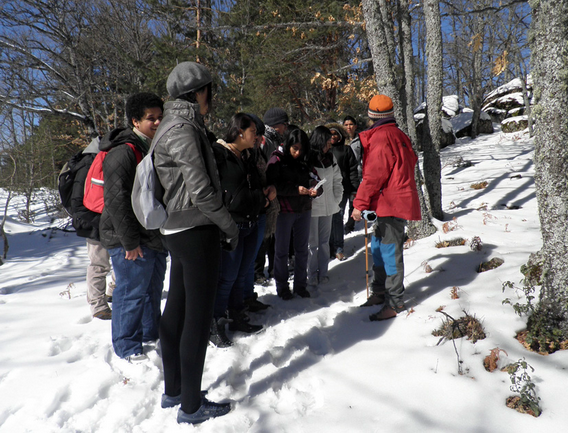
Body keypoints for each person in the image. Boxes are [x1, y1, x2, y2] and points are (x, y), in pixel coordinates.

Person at [153, 61, 237, 424]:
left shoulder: (166, 126)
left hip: (176, 228)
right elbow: (201, 190)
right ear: (197, 92)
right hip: (195, 229)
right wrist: (229, 225)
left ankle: (175, 391)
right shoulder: (183, 128)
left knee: (177, 309)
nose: (211, 98)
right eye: (209, 91)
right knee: (197, 320)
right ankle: (190, 406)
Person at [99, 92, 167, 360]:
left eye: (161, 117)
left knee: (151, 290)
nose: (158, 122)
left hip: (151, 234)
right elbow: (116, 201)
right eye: (151, 118)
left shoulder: (150, 148)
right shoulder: (123, 153)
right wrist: (129, 241)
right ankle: (127, 347)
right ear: (135, 121)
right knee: (130, 294)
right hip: (128, 238)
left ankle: (151, 334)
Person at [351, 94, 421, 321]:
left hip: (391, 203)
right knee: (379, 249)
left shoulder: (382, 138)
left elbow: (373, 176)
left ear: (371, 116)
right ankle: (380, 292)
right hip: (387, 203)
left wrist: (359, 204)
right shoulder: (399, 134)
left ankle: (395, 302)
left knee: (390, 253)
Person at [210, 113, 269, 347]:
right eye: (253, 131)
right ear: (239, 132)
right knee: (226, 278)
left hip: (251, 222)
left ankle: (236, 316)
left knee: (240, 276)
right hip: (230, 226)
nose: (256, 136)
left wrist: (264, 196)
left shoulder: (247, 155)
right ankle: (214, 323)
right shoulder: (219, 154)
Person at [266, 128, 322, 299]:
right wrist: (296, 190)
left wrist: (316, 189)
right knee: (281, 251)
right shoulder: (277, 159)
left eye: (301, 149)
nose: (298, 153)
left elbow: (316, 178)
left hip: (304, 209)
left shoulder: (306, 159)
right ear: (288, 145)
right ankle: (282, 287)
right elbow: (272, 185)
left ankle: (300, 285)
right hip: (284, 211)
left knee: (302, 250)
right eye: (294, 148)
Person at [70, 136, 115, 320]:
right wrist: (101, 222)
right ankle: (98, 305)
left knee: (120, 260)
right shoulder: (88, 164)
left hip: (108, 220)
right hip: (94, 224)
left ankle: (113, 292)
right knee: (99, 264)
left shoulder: (97, 159)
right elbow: (77, 204)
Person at [244, 113, 276, 312]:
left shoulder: (258, 153)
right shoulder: (236, 155)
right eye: (255, 134)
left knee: (251, 257)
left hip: (262, 211)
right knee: (244, 262)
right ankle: (239, 301)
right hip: (246, 214)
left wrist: (271, 188)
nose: (258, 139)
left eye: (259, 135)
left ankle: (248, 296)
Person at [254, 108, 289, 283]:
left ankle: (275, 268)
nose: (285, 128)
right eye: (284, 124)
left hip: (274, 191)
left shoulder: (276, 140)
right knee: (265, 235)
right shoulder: (264, 141)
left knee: (274, 234)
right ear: (277, 125)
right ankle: (258, 272)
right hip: (266, 193)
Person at [307, 126, 343, 287]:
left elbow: (337, 179)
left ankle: (323, 272)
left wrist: (337, 198)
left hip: (329, 206)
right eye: (328, 142)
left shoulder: (330, 157)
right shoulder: (307, 157)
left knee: (324, 242)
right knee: (312, 244)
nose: (330, 145)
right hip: (312, 208)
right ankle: (311, 274)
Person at [326, 122, 359, 261]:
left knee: (338, 217)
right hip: (325, 189)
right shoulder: (324, 150)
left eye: (335, 134)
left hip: (342, 189)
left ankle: (338, 247)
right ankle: (328, 246)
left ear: (340, 136)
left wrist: (355, 189)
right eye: (330, 134)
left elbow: (352, 170)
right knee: (327, 218)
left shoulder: (346, 150)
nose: (333, 137)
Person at [343, 115, 362, 234]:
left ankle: (350, 225)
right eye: (346, 125)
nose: (348, 127)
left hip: (357, 174)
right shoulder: (340, 139)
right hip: (343, 175)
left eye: (351, 124)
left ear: (355, 126)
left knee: (353, 201)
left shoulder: (361, 140)